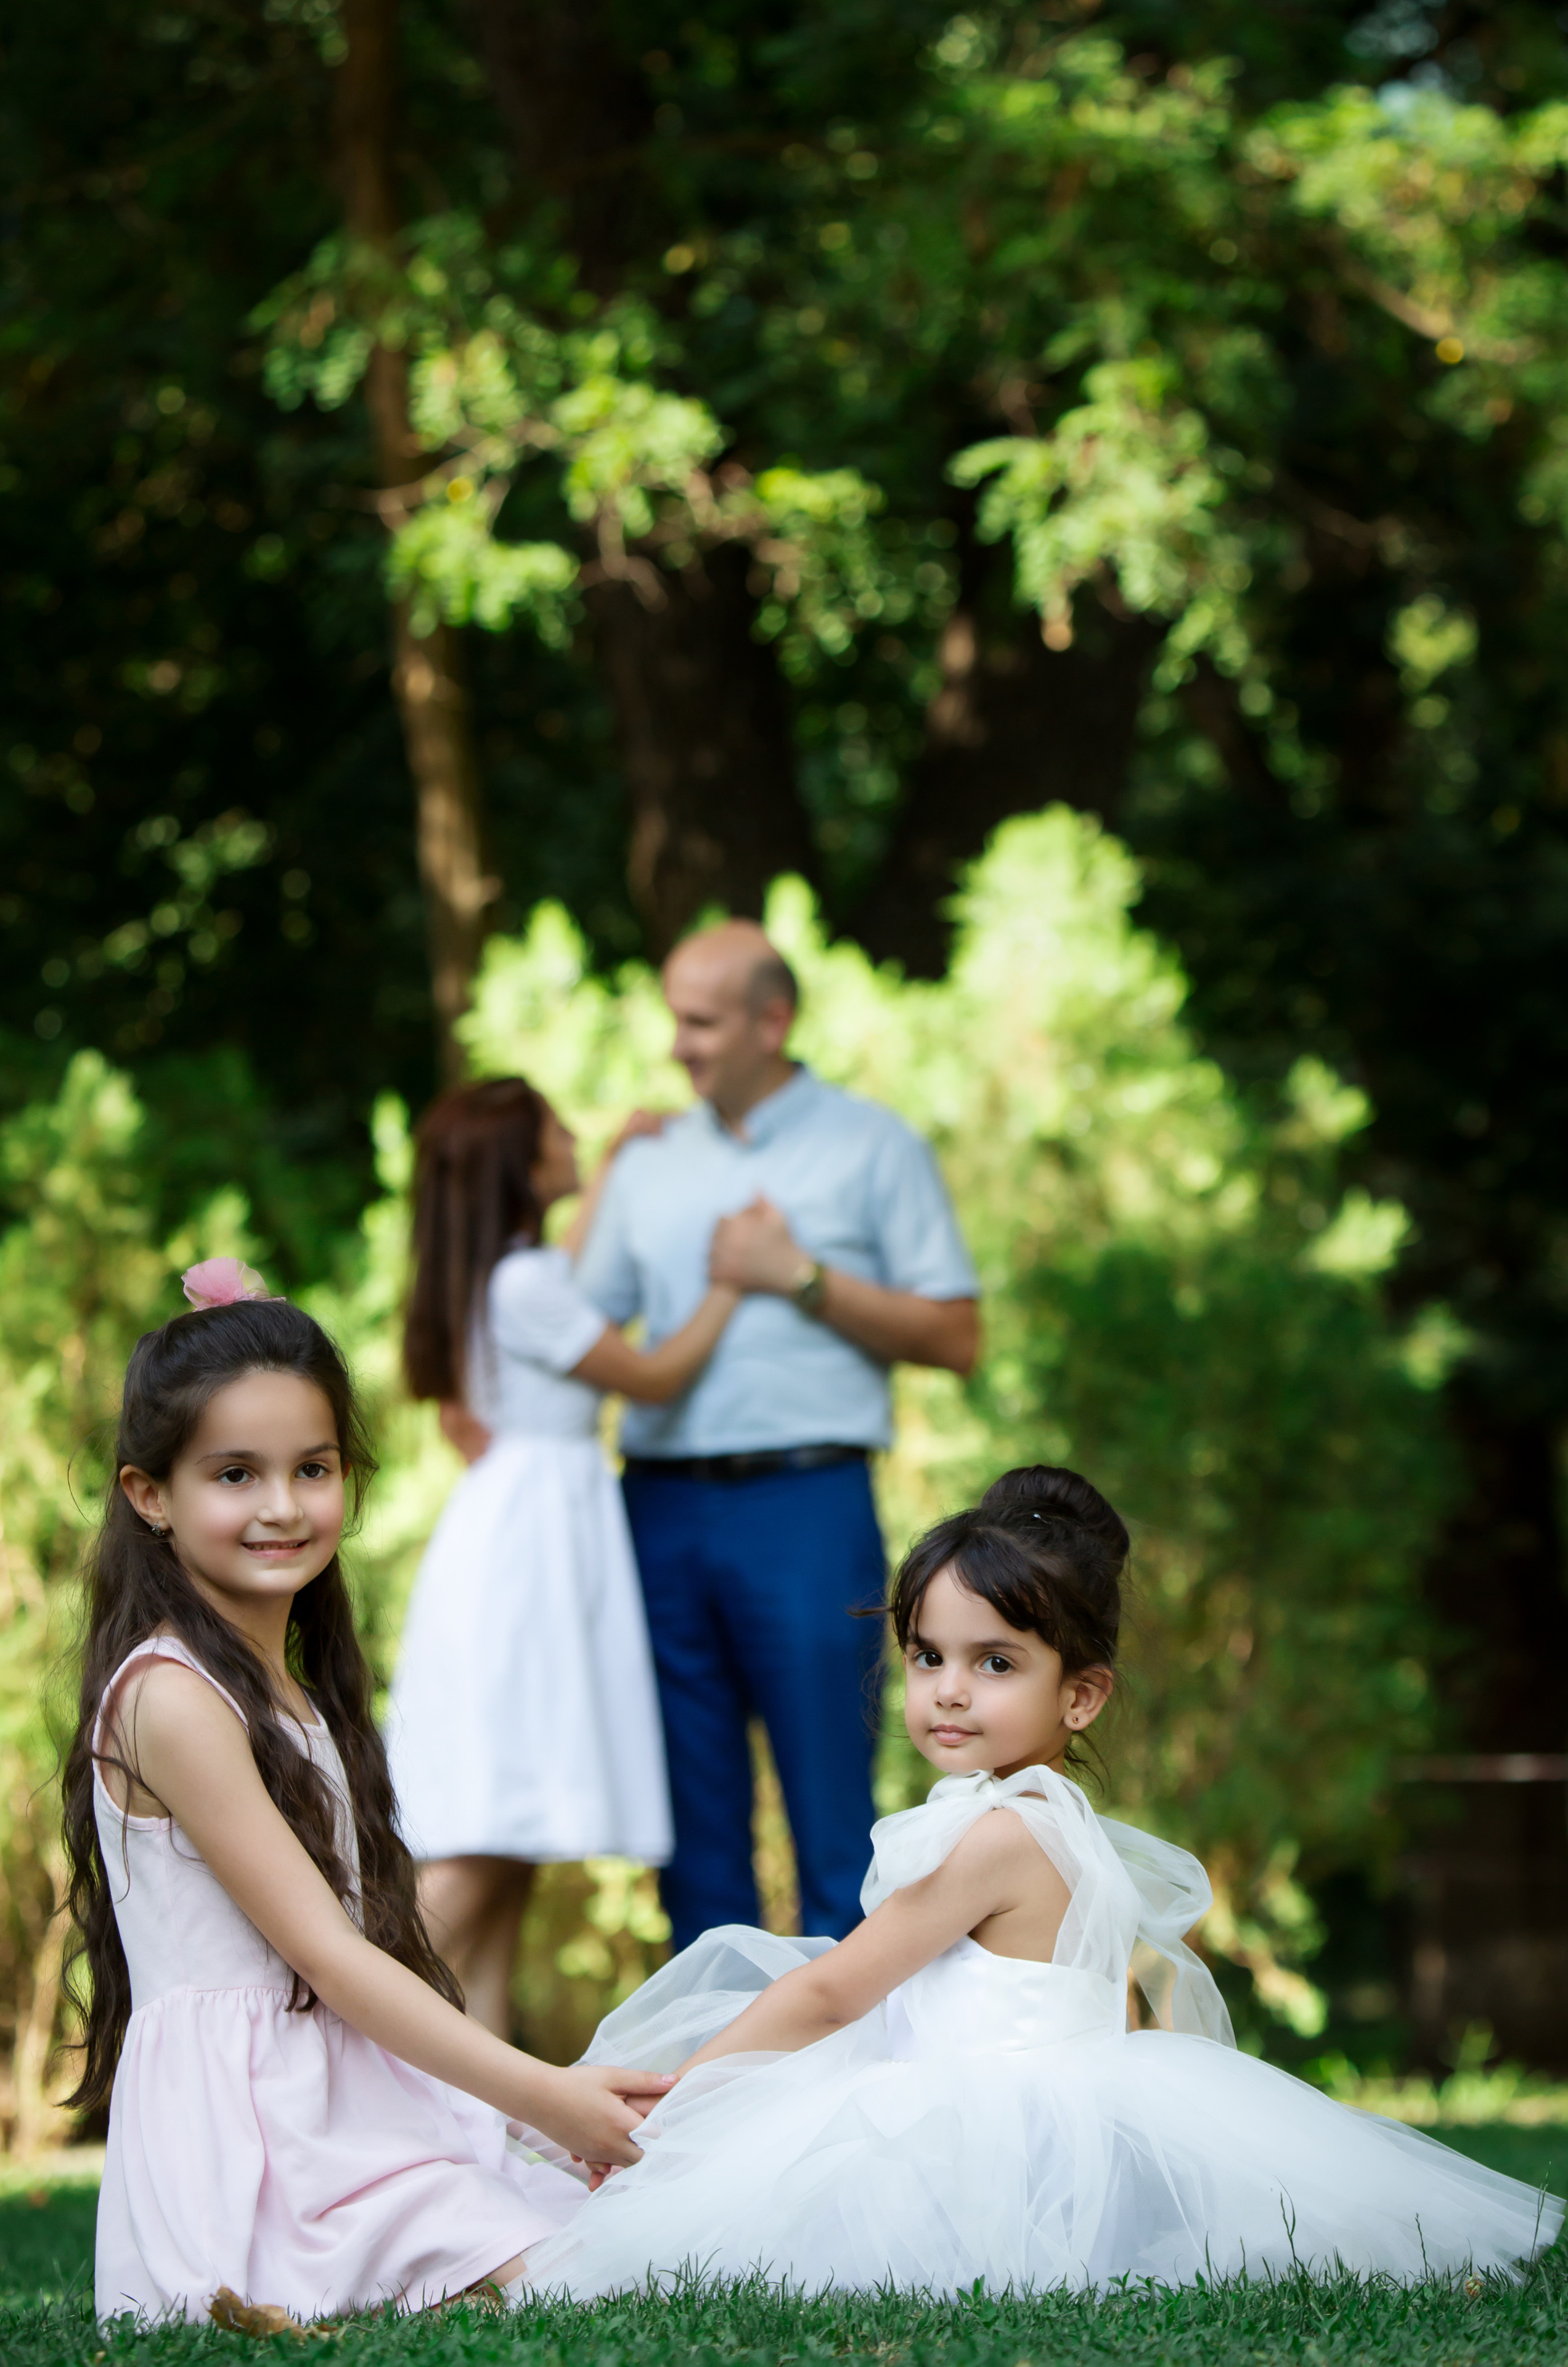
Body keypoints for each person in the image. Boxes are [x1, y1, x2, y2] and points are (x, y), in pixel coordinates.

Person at [526, 1465, 1561, 2298]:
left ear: (1083, 1696)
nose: (947, 1693)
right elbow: (1106, 1996)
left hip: (981, 2131)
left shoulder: (1000, 1838)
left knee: (692, 2231)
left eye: (995, 1663)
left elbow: (834, 1989)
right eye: (928, 1656)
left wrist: (673, 2105)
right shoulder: (1053, 1822)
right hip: (1008, 2095)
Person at [63, 1259, 674, 2324]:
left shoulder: (289, 1686)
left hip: (338, 2098)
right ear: (149, 1495)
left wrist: (522, 2120)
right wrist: (541, 2092)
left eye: (314, 1468)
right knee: (569, 2280)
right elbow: (329, 1957)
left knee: (629, 2227)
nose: (285, 1507)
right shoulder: (172, 1698)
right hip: (256, 2147)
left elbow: (365, 1957)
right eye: (235, 1475)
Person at [576, 919, 980, 1950]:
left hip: (808, 1507)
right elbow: (576, 1324)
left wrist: (799, 1278)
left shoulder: (874, 1144)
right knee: (689, 1828)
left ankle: (848, 2084)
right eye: (674, 1021)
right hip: (656, 1506)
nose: (679, 1046)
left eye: (700, 1022)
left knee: (833, 1818)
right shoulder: (649, 1160)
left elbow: (957, 1333)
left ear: (773, 1019)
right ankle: (705, 2088)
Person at [386, 1077, 741, 2038]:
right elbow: (656, 1376)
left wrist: (618, 1162)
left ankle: (489, 2119)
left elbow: (566, 1283)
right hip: (534, 1552)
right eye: (556, 1127)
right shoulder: (524, 1284)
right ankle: (351, 2014)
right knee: (492, 1834)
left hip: (519, 1532)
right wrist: (731, 1283)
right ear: (521, 1161)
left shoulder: (504, 1274)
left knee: (512, 1855)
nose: (573, 1133)